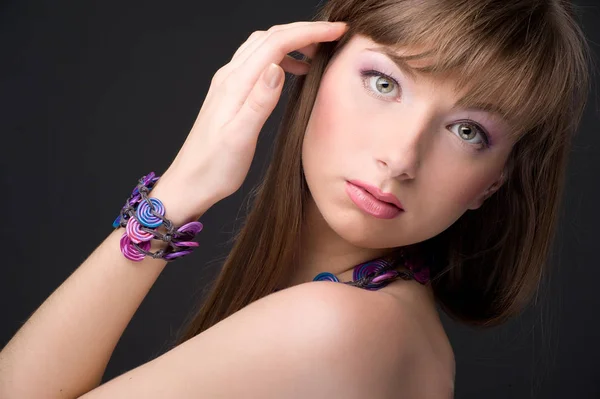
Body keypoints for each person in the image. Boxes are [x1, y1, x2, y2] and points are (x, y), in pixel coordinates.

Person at [0, 0, 590, 397]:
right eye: (385, 83)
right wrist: (183, 191)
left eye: (468, 132)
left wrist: (178, 194)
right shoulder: (383, 317)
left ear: (492, 183)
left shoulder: (340, 327)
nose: (402, 158)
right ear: (314, 61)